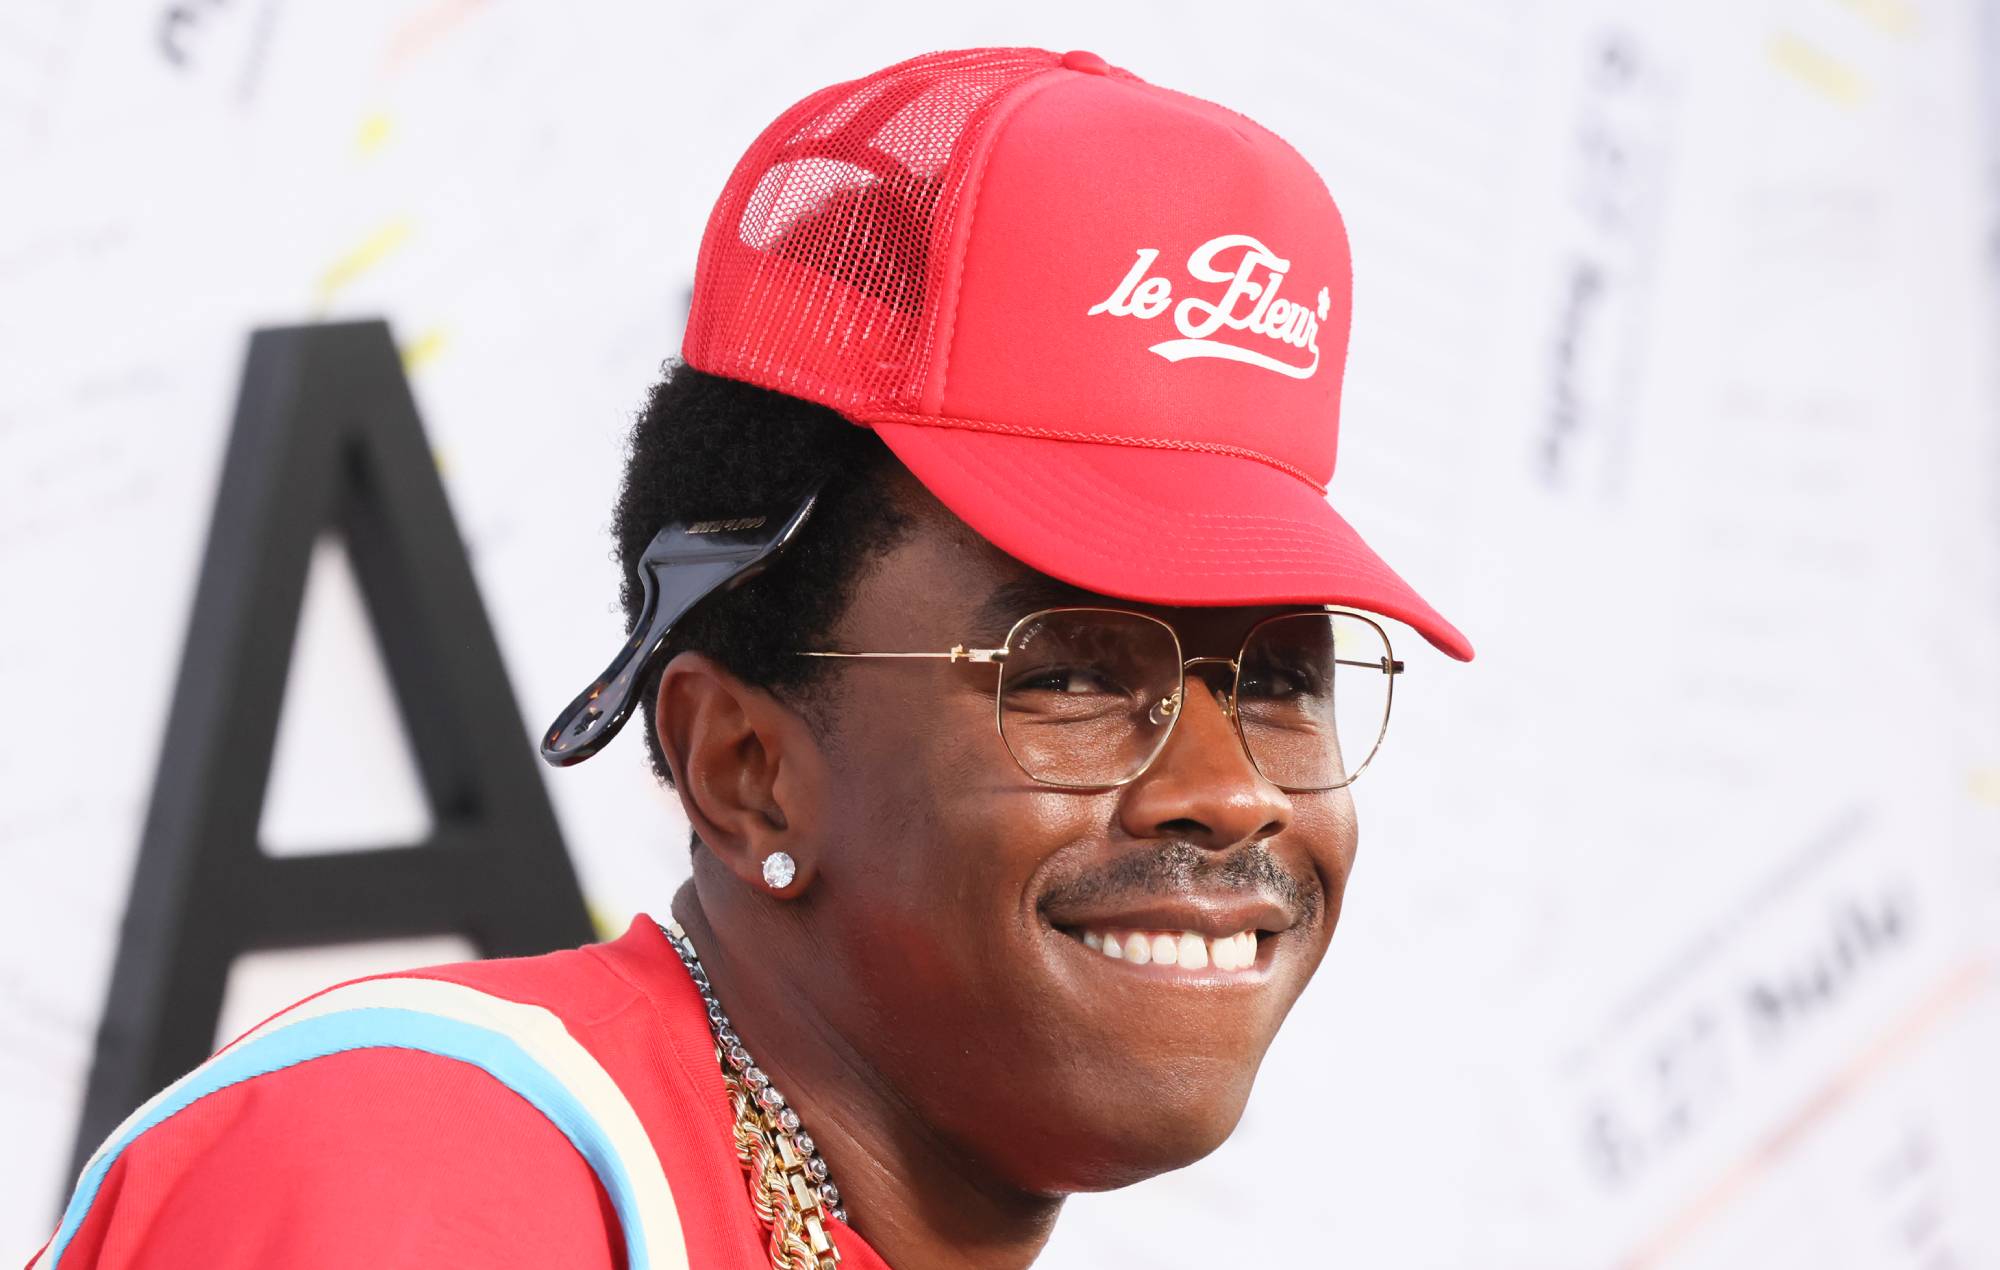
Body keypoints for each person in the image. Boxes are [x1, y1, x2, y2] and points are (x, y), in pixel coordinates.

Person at [31, 45, 1472, 1270]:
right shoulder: (424, 1179)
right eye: (1073, 673)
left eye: (1281, 679)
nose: (1229, 791)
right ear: (742, 769)